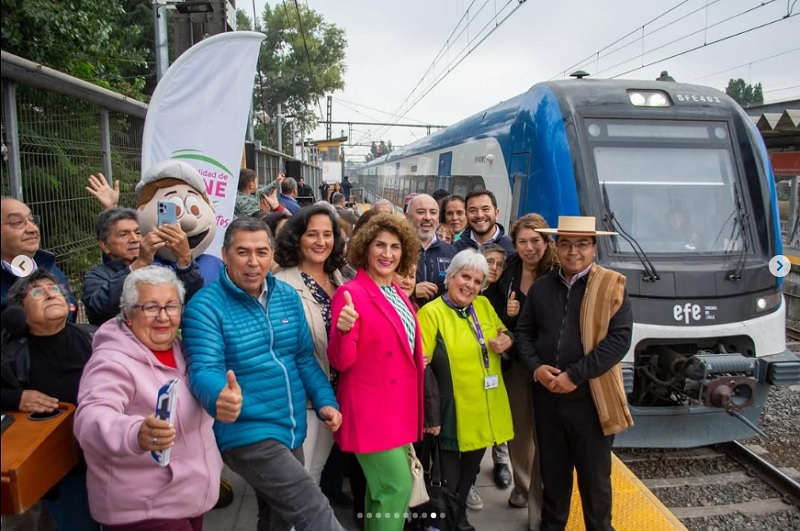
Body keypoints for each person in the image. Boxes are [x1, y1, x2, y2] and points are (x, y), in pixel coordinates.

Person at [182, 218, 343, 531]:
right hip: (246, 431)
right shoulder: (204, 306)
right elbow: (204, 368)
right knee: (312, 507)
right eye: (243, 252)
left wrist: (325, 401)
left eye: (261, 252)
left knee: (278, 517)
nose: (253, 262)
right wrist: (219, 396)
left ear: (273, 256)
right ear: (225, 255)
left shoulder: (286, 295)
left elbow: (303, 358)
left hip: (290, 425)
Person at [73, 266, 222, 530]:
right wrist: (134, 433)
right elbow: (91, 417)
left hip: (189, 496)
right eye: (150, 307)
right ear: (129, 315)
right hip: (143, 508)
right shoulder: (111, 360)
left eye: (172, 306)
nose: (163, 317)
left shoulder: (184, 350)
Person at [515, 216, 633, 531]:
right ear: (556, 247)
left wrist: (574, 376)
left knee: (595, 480)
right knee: (553, 476)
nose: (573, 252)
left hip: (591, 401)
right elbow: (523, 334)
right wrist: (537, 369)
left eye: (582, 244)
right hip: (547, 399)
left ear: (593, 247)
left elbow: (618, 342)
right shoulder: (542, 287)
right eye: (565, 244)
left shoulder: (612, 286)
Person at [327, 213, 424, 531]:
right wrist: (343, 331)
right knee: (395, 487)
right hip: (371, 410)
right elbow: (342, 362)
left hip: (395, 408)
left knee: (378, 491)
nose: (387, 253)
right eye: (379, 245)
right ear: (365, 249)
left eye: (395, 246)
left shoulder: (397, 293)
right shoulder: (351, 293)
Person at [416, 249, 514, 531]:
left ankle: (458, 520)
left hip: (484, 409)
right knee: (448, 478)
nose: (470, 285)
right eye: (465, 276)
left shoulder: (483, 306)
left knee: (469, 475)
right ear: (450, 277)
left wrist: (506, 340)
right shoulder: (431, 312)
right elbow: (421, 366)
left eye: (477, 280)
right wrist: (430, 414)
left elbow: (503, 333)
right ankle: (449, 522)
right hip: (451, 412)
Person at [1, 270, 97, 530]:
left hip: (102, 462)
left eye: (55, 290)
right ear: (19, 313)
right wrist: (16, 397)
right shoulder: (11, 355)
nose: (49, 294)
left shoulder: (95, 338)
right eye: (36, 292)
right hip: (52, 478)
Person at [273, 205, 347, 486]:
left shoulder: (338, 277)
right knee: (296, 480)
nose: (321, 242)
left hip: (334, 394)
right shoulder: (281, 284)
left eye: (327, 234)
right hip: (302, 398)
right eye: (312, 234)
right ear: (297, 238)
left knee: (314, 473)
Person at [494, 214, 557, 527]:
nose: (530, 247)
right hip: (517, 364)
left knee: (545, 435)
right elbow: (493, 307)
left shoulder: (558, 275)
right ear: (514, 244)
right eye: (523, 241)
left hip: (548, 366)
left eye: (536, 241)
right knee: (519, 433)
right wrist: (503, 325)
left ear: (547, 242)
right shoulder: (510, 270)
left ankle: (538, 509)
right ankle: (521, 486)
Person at [82, 208, 204, 326]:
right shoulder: (96, 276)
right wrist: (139, 264)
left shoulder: (156, 269)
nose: (134, 239)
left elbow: (192, 297)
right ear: (105, 246)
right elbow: (99, 308)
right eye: (124, 234)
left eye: (138, 233)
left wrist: (185, 259)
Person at [1, 197, 77, 320]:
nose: (33, 229)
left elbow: (71, 314)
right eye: (16, 222)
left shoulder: (51, 269)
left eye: (32, 220)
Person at [406, 194, 456, 306]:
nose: (428, 217)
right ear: (407, 216)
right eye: (420, 212)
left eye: (433, 212)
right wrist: (412, 291)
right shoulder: (397, 249)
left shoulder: (451, 252)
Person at [453, 189, 514, 254]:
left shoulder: (511, 247)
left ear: (496, 213)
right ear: (466, 215)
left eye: (485, 209)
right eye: (473, 210)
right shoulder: (457, 248)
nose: (479, 215)